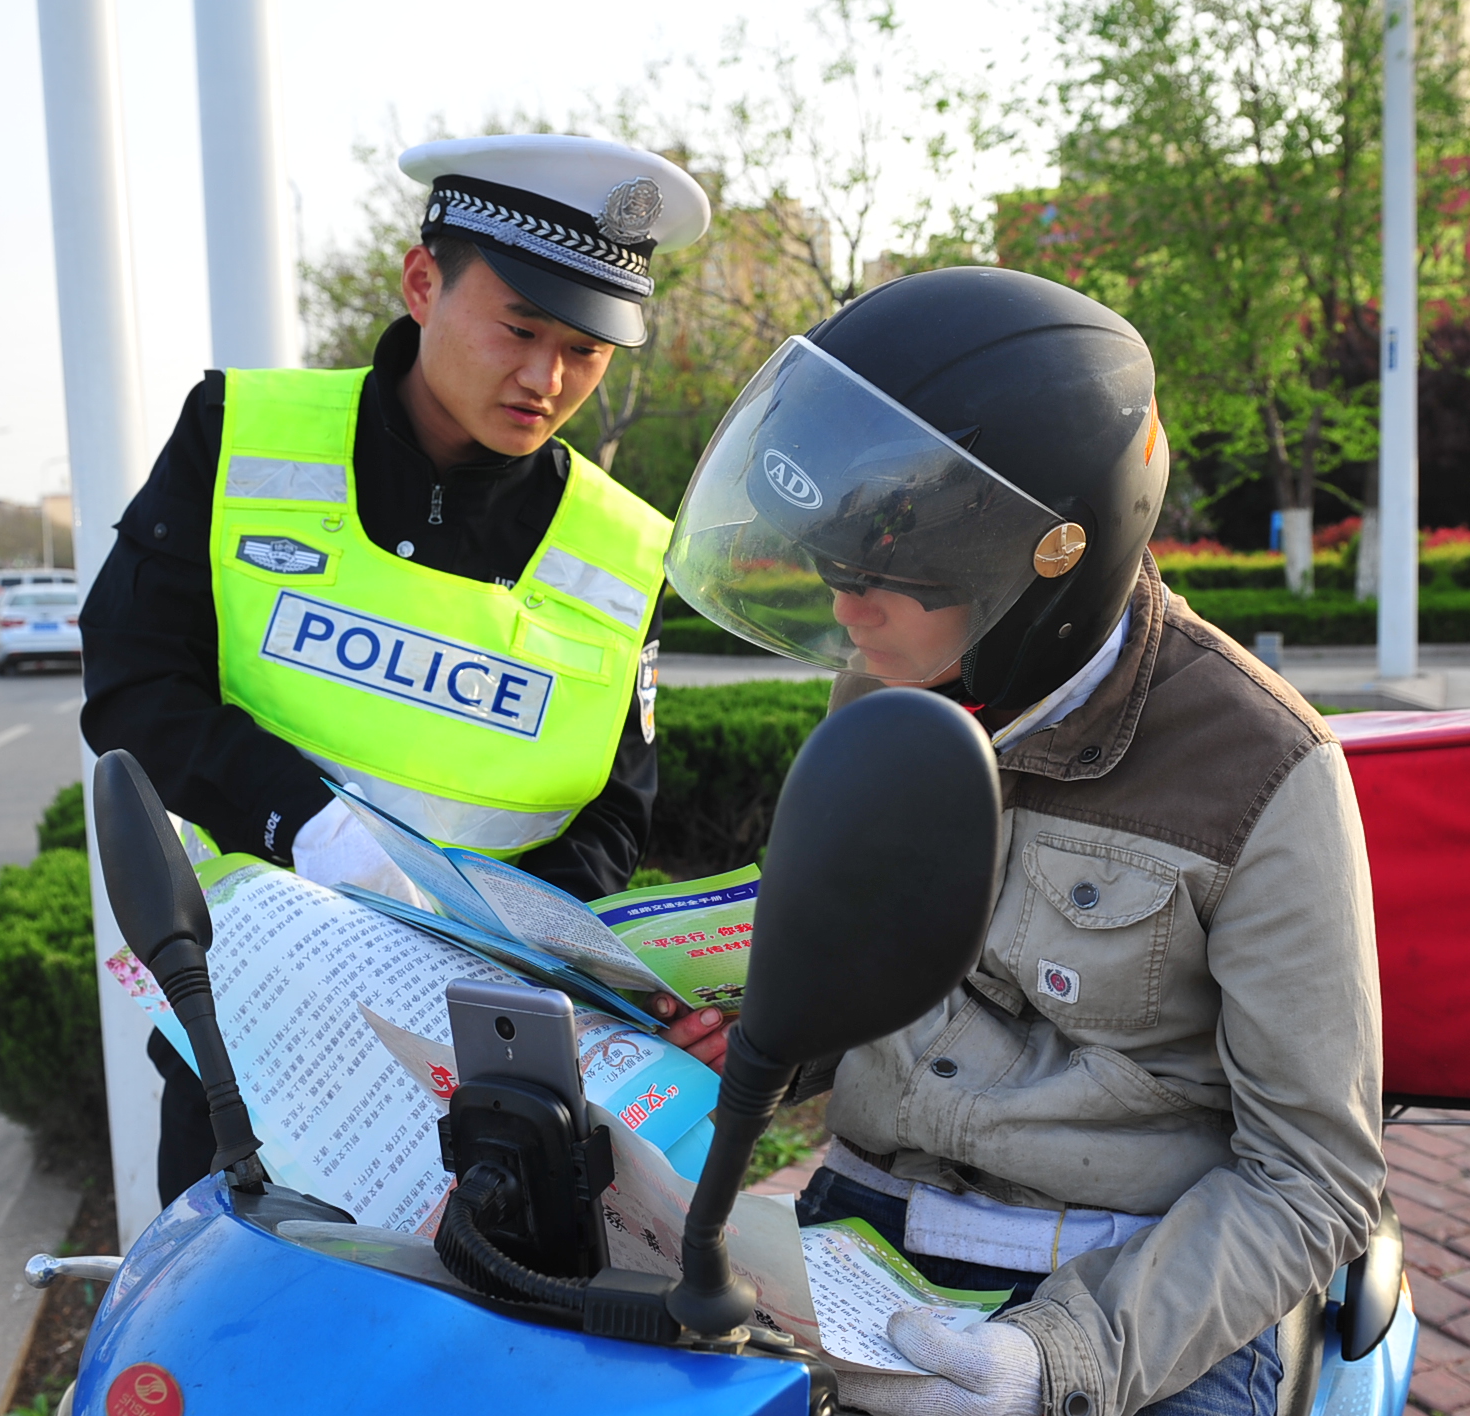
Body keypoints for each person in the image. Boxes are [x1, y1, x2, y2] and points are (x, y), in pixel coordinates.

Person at [664, 266, 1384, 1416]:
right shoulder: (886, 686)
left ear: (1050, 565)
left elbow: (1312, 1179)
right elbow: (875, 977)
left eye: (889, 579)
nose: (847, 612)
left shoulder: (1261, 769)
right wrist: (760, 1035)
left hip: (1130, 1287)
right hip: (858, 1235)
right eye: (833, 566)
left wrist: (1059, 1361)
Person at [79, 134, 730, 1204]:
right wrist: (305, 823)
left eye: (586, 350)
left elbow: (615, 813)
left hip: (485, 1074)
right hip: (251, 1035)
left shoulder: (627, 549)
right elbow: (134, 685)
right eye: (519, 329)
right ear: (423, 283)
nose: (546, 380)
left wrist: (551, 961)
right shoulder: (238, 434)